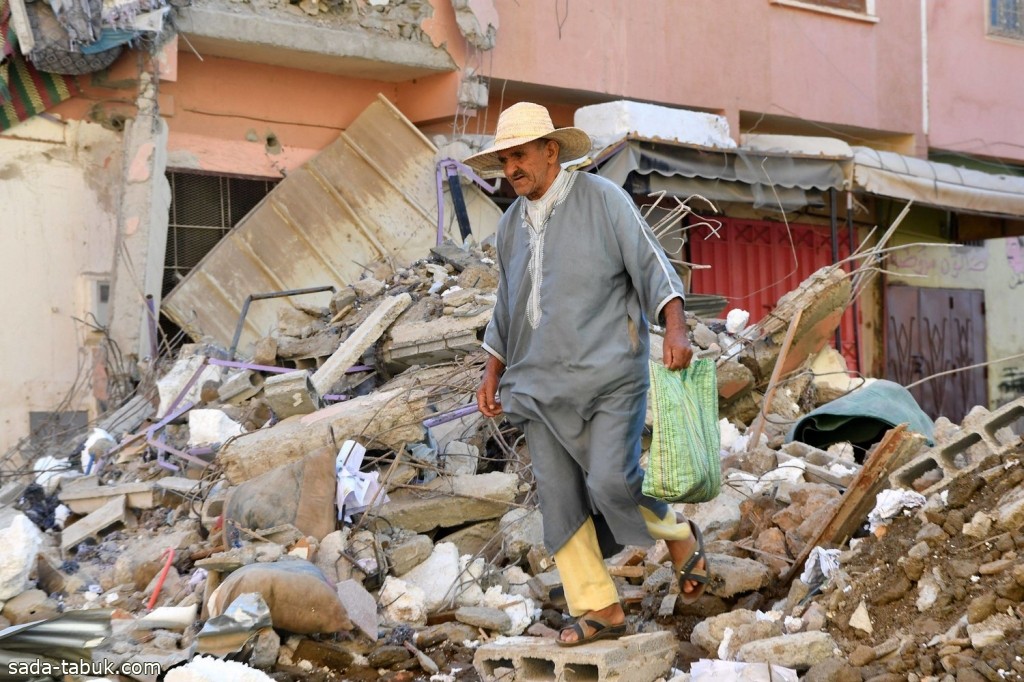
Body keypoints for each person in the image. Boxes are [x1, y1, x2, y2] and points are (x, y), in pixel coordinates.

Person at [465, 102, 709, 647]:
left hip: (609, 377)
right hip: (535, 386)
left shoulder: (603, 200)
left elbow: (651, 264)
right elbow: (507, 307)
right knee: (559, 500)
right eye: (504, 159)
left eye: (520, 155)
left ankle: (677, 533)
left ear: (552, 151)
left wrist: (675, 328)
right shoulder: (508, 226)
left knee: (610, 480)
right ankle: (599, 607)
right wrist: (491, 373)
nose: (511, 168)